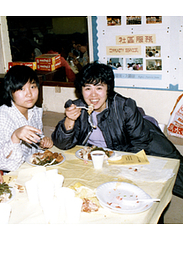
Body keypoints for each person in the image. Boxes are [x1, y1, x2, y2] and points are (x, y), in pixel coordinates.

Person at [51, 62, 183, 198]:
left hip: (122, 163)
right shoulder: (78, 108)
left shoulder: (125, 107)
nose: (93, 95)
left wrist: (113, 161)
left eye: (99, 88)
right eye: (88, 88)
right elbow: (61, 144)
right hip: (92, 164)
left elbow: (141, 144)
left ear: (108, 89)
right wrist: (70, 120)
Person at [0, 65, 53, 172]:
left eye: (32, 87)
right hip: (10, 174)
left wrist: (42, 142)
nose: (29, 94)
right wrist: (15, 137)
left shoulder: (34, 110)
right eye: (21, 88)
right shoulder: (1, 118)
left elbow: (35, 143)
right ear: (10, 91)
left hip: (31, 167)